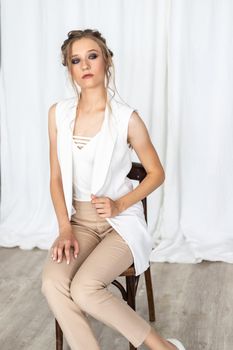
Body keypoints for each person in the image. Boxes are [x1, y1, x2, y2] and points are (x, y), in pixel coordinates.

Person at [41, 29, 186, 350]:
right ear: (69, 69)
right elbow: (55, 177)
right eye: (75, 60)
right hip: (79, 224)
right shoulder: (58, 114)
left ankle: (163, 347)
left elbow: (155, 173)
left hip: (120, 225)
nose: (85, 65)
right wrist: (64, 228)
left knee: (85, 288)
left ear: (106, 60)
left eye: (92, 56)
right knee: (52, 282)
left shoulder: (126, 119)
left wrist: (120, 204)